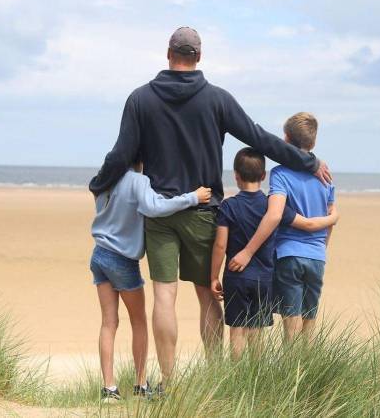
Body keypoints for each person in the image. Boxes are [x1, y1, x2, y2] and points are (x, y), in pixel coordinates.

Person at [89, 26, 332, 389]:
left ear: (168, 53)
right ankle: (216, 379)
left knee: (164, 296)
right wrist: (306, 161)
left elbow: (122, 155)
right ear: (198, 57)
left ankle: (168, 384)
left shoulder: (140, 99)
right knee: (207, 294)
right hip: (205, 212)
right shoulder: (216, 99)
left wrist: (99, 184)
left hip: (160, 214)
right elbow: (259, 138)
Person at [89, 156, 211, 402]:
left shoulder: (103, 181)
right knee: (138, 322)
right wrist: (192, 198)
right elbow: (154, 207)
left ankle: (109, 389)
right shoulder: (137, 180)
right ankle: (140, 384)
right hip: (122, 260)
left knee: (108, 323)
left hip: (99, 255)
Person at [210, 148, 338, 360]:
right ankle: (256, 373)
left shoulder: (229, 206)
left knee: (237, 329)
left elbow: (220, 245)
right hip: (264, 277)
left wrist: (214, 276)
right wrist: (332, 218)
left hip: (236, 276)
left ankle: (236, 375)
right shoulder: (273, 207)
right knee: (257, 328)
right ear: (263, 176)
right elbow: (305, 223)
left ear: (236, 175)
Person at [228, 113, 337, 341]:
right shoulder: (326, 177)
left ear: (285, 141)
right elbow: (330, 218)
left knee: (291, 321)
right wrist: (321, 249)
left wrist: (248, 252)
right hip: (317, 256)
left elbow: (275, 214)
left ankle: (291, 373)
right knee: (310, 318)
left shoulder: (280, 174)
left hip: (289, 254)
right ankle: (308, 371)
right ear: (313, 142)